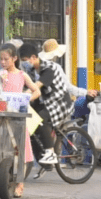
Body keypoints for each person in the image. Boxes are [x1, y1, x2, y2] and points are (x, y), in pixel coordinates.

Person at [20, 43, 73, 178]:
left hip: (60, 104)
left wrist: (25, 95)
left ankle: (50, 152)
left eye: (25, 60)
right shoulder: (31, 71)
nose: (24, 64)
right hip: (47, 103)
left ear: (33, 57)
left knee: (40, 119)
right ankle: (43, 160)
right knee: (29, 123)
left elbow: (36, 87)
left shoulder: (49, 68)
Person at [0, 44, 41, 198]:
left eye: (6, 59)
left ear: (14, 58)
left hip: (18, 117)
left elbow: (36, 90)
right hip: (3, 117)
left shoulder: (22, 75)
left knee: (20, 151)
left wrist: (25, 99)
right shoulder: (0, 74)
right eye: (1, 59)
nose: (3, 62)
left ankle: (19, 184)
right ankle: (4, 183)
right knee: (3, 150)